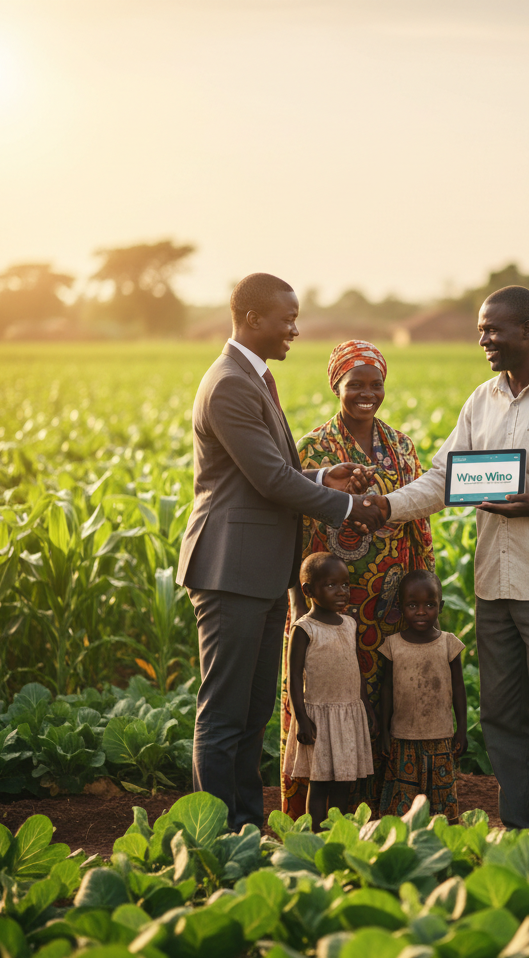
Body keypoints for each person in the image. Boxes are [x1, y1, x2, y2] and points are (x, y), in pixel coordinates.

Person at [362, 285, 529, 829]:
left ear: (527, 330)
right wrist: (383, 506)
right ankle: (519, 828)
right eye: (481, 329)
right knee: (503, 719)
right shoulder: (481, 401)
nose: (482, 339)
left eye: (493, 329)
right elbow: (443, 479)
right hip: (494, 587)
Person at [176, 273, 383, 830]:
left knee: (251, 714)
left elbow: (273, 472)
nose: (295, 328)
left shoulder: (253, 378)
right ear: (252, 320)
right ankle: (212, 834)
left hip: (260, 571)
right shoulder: (229, 384)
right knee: (223, 715)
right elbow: (268, 479)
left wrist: (323, 476)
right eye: (286, 318)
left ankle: (244, 825)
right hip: (230, 569)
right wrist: (345, 508)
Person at [280, 339, 434, 818]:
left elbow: (420, 518)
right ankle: (322, 819)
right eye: (355, 384)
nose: (367, 393)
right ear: (336, 386)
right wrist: (299, 610)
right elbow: (296, 530)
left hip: (390, 607)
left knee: (383, 703)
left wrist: (422, 588)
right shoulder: (313, 449)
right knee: (327, 703)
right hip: (331, 608)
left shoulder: (402, 447)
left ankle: (385, 811)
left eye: (376, 384)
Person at [282, 552, 375, 823]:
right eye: (331, 585)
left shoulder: (349, 624)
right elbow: (295, 678)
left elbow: (354, 669)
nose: (342, 591)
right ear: (308, 590)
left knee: (343, 782)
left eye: (345, 585)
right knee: (320, 782)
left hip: (348, 715)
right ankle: (316, 837)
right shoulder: (304, 629)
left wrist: (366, 708)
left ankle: (339, 833)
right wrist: (301, 718)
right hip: (318, 718)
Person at [378, 569, 466, 821]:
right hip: (402, 736)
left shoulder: (449, 644)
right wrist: (384, 731)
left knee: (442, 803)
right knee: (402, 804)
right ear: (400, 606)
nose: (421, 611)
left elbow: (458, 688)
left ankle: (443, 843)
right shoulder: (393, 645)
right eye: (412, 605)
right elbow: (386, 690)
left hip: (441, 736)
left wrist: (462, 729)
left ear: (441, 606)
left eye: (430, 604)